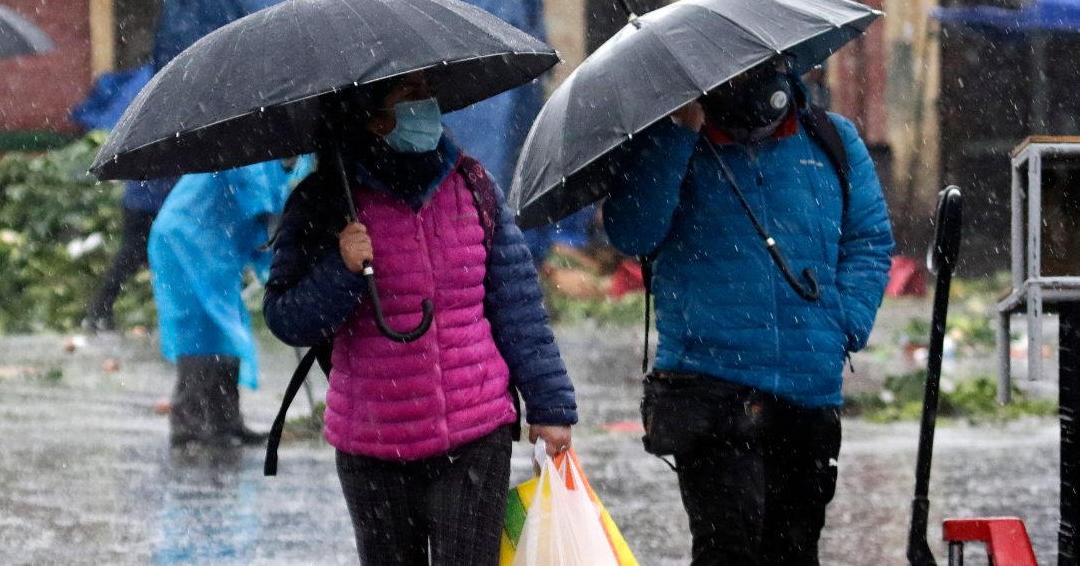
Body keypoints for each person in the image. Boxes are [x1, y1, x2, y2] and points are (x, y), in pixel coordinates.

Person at [262, 71, 577, 566]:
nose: (425, 102)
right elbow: (286, 319)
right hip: (372, 442)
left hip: (474, 435)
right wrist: (342, 270)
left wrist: (551, 407)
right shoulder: (327, 202)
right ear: (370, 114)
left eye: (428, 90)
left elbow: (517, 308)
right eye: (408, 92)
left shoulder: (473, 187)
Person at [602, 59, 894, 565]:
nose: (751, 79)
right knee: (726, 550)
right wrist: (678, 136)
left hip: (808, 388)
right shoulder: (674, 140)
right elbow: (632, 233)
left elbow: (869, 240)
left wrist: (844, 322)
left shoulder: (832, 138)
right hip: (708, 387)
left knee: (794, 551)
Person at [149, 159, 297, 447]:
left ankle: (225, 422)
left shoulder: (268, 155)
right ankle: (189, 424)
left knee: (224, 334)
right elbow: (257, 199)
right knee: (198, 332)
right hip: (186, 239)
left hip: (213, 243)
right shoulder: (250, 148)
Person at [84, 177, 177, 331]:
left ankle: (100, 310)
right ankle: (100, 310)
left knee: (130, 259)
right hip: (151, 205)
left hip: (141, 202)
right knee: (131, 259)